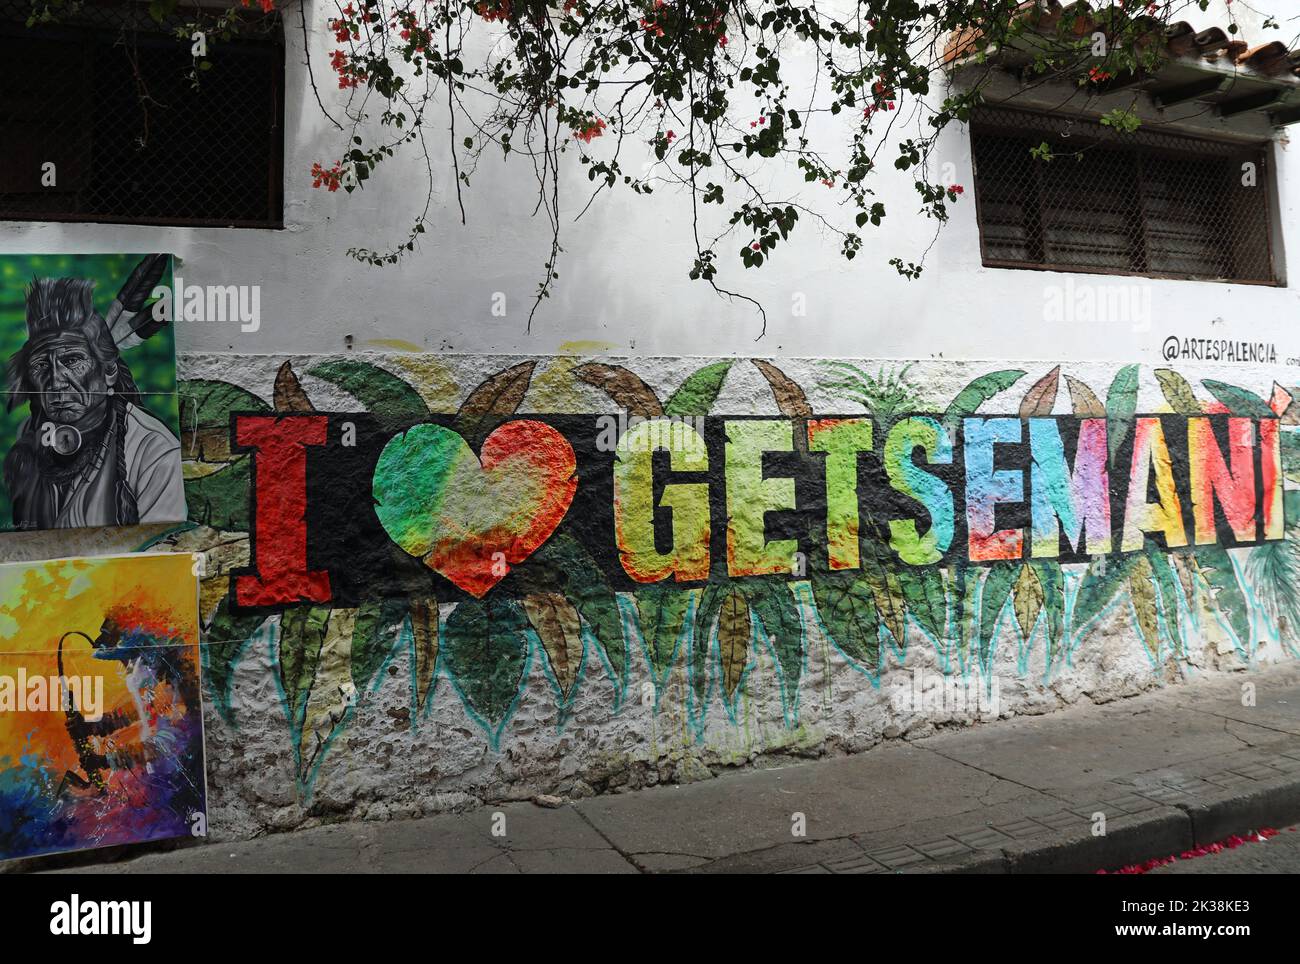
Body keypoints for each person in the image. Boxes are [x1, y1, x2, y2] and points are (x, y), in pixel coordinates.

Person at [3, 271, 185, 528]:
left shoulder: (152, 452)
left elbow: (160, 553)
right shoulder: (30, 438)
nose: (56, 381)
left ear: (109, 372)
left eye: (72, 360)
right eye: (41, 365)